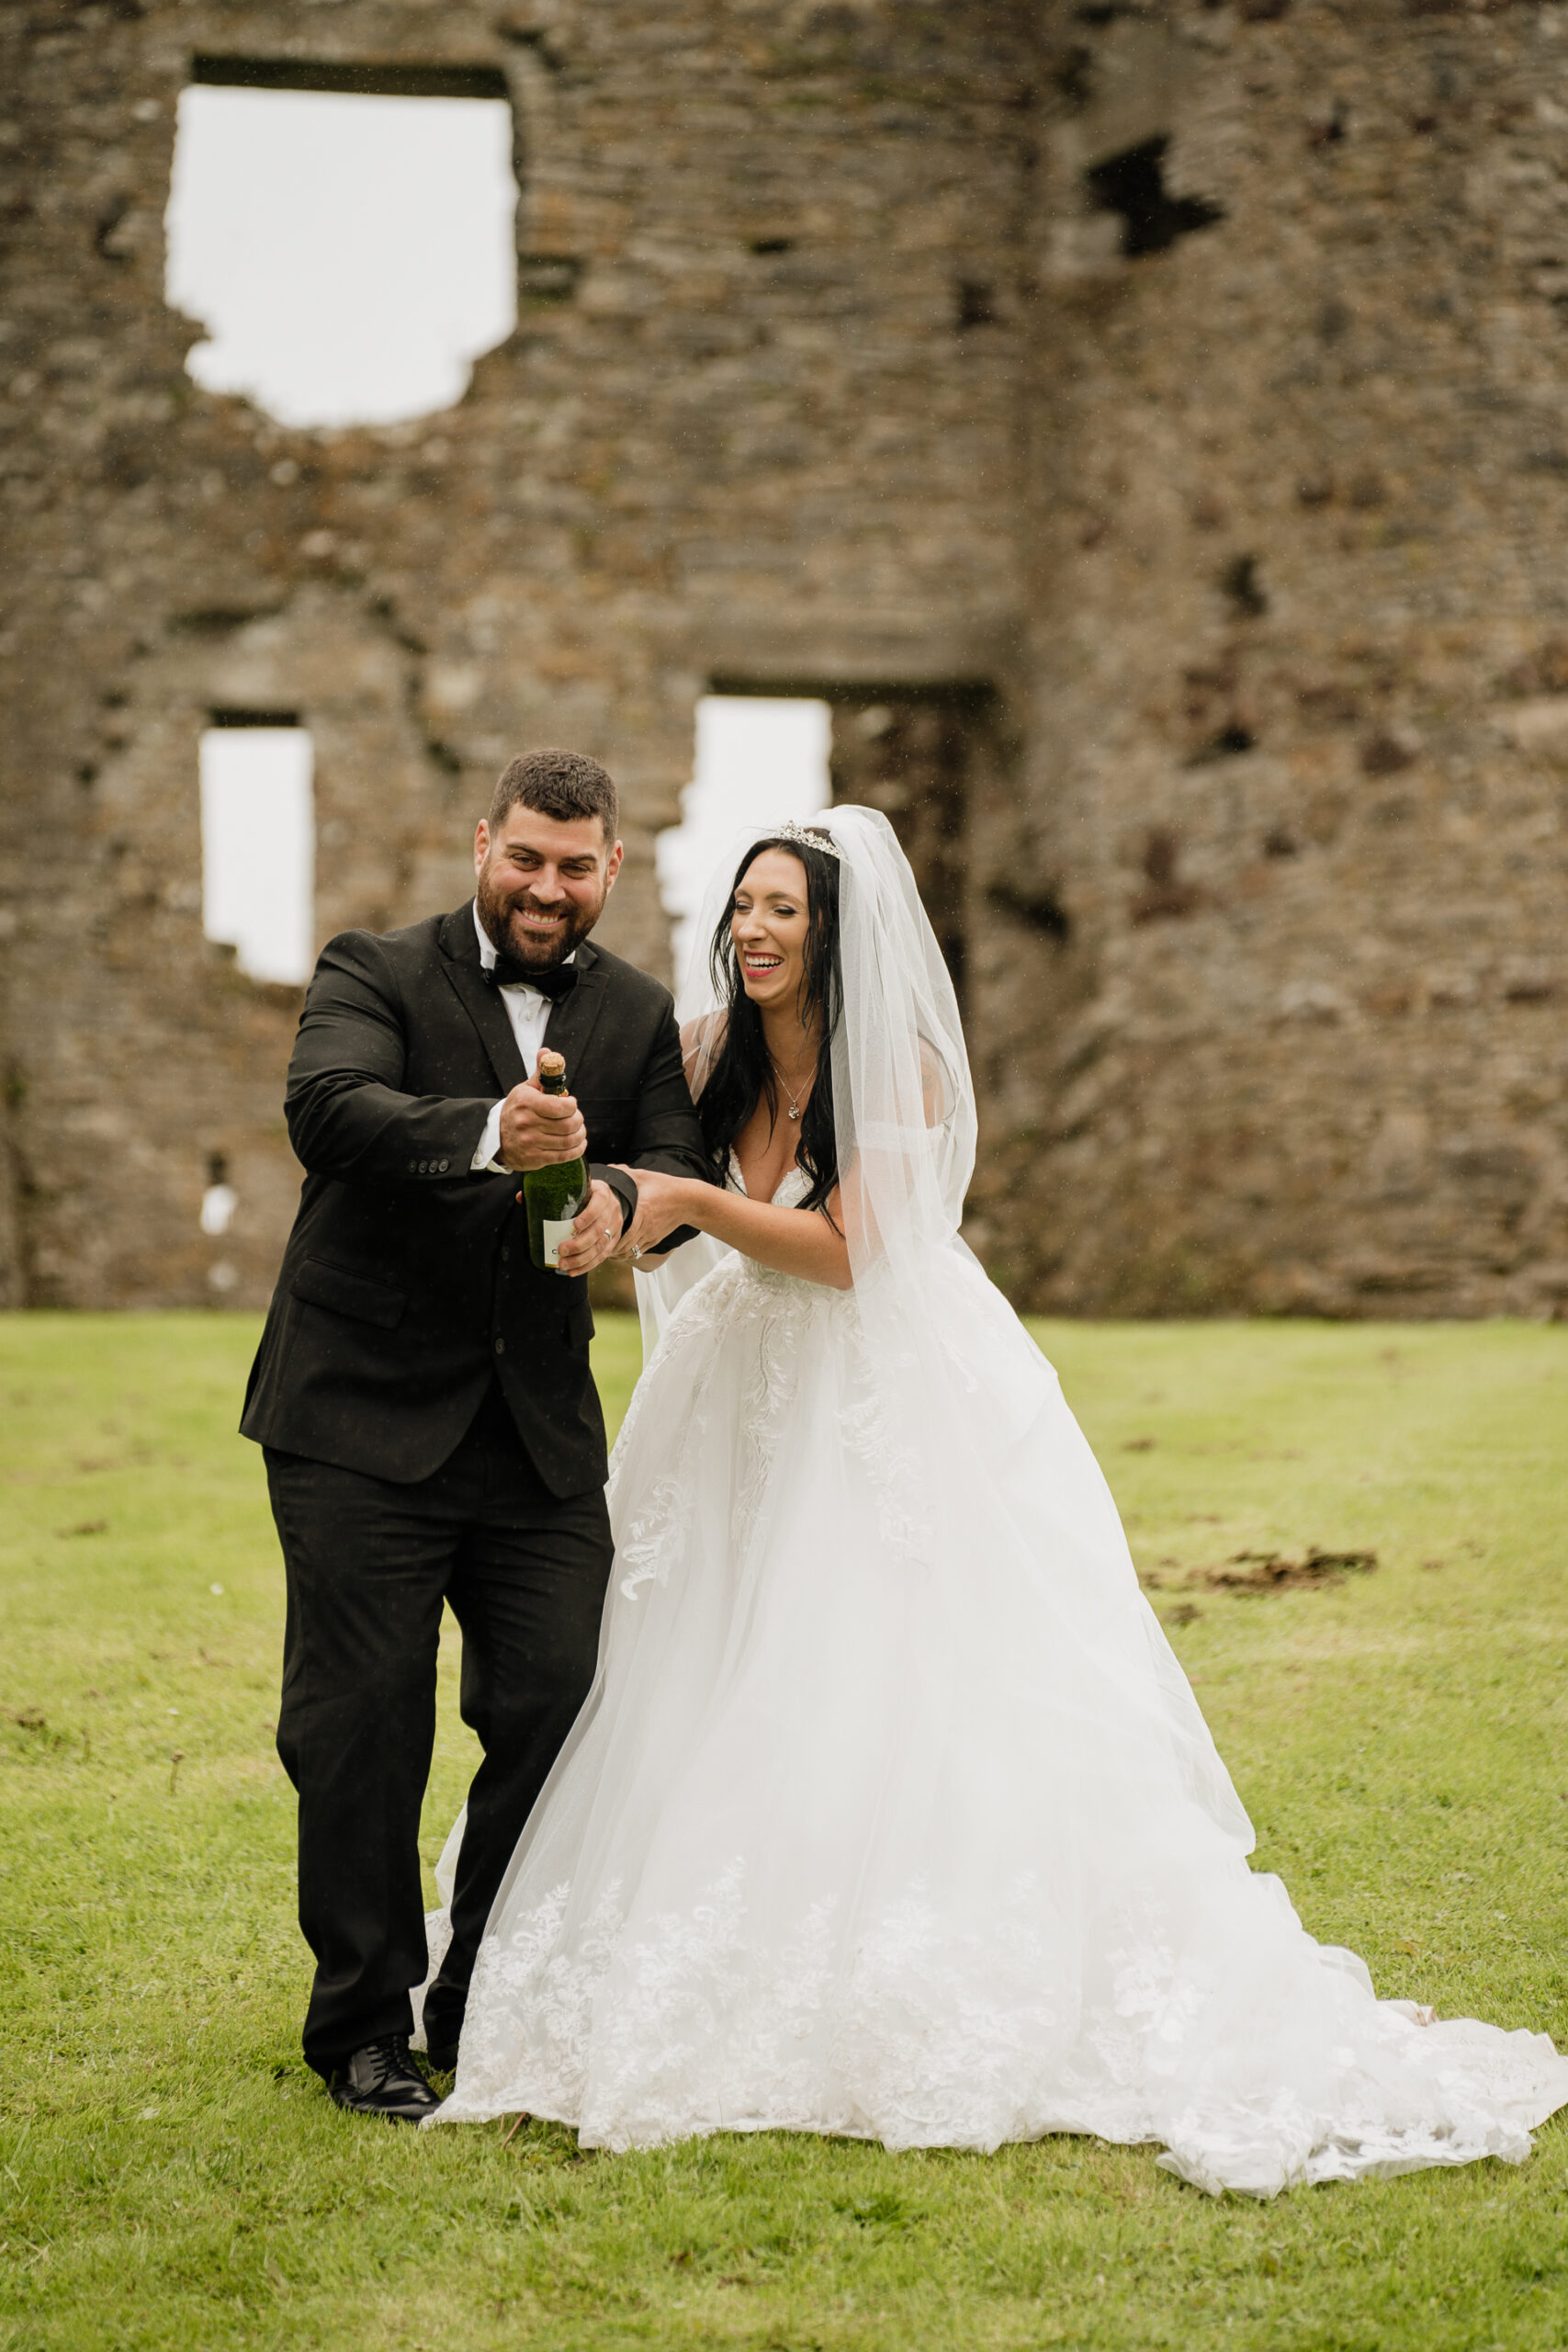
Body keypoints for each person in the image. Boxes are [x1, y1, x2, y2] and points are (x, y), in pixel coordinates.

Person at [427, 806, 1568, 2195]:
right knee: (701, 1660)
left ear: (836, 932)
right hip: (742, 1392)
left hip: (876, 1384)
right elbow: (633, 1166)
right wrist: (589, 1173)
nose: (755, 930)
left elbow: (851, 1259)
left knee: (884, 1658)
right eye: (743, 907)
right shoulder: (715, 1054)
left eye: (783, 909)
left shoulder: (890, 1065)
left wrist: (693, 1204)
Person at [242, 748, 710, 2120]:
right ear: (481, 847)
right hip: (355, 1424)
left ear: (613, 869)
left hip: (538, 1441)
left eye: (576, 866)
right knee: (358, 1728)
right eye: (525, 859)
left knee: (559, 1702)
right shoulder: (372, 972)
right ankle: (365, 2028)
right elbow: (328, 1113)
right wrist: (494, 1135)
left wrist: (619, 1195)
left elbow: (674, 1164)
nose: (547, 889)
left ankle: (480, 1997)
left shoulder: (632, 1013)